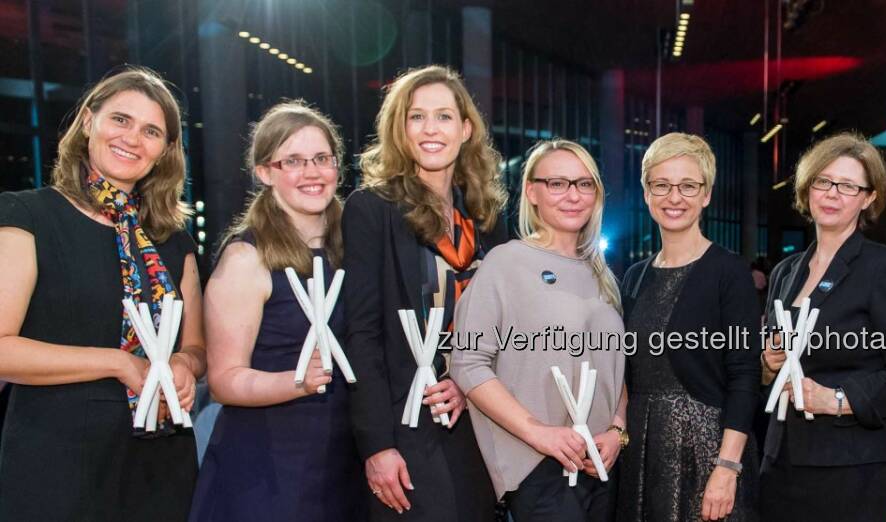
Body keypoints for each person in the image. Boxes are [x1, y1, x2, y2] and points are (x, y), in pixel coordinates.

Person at [0, 66, 206, 520]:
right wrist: (117, 362)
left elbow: (195, 346)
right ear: (89, 121)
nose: (133, 138)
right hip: (55, 457)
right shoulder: (27, 216)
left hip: (161, 460)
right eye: (120, 120)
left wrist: (183, 365)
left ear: (166, 150)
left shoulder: (173, 241)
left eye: (151, 130)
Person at [343, 65, 508, 520]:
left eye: (444, 116)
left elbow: (505, 328)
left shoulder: (486, 218)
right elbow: (362, 334)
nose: (431, 129)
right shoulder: (370, 209)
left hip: (476, 420)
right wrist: (377, 445)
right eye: (417, 117)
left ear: (466, 128)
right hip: (405, 423)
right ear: (401, 128)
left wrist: (467, 381)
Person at [189, 101, 365, 521]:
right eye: (294, 161)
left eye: (322, 159)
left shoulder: (357, 245)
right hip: (268, 469)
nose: (312, 172)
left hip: (346, 462)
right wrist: (295, 382)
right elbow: (225, 380)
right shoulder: (246, 259)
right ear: (266, 172)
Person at [758, 132, 886, 522]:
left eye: (848, 186)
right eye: (824, 181)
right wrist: (768, 364)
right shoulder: (786, 271)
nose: (833, 194)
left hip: (853, 468)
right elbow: (770, 370)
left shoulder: (883, 268)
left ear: (868, 198)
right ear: (808, 188)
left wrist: (837, 400)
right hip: (781, 460)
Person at [453, 139, 625, 521]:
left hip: (599, 463)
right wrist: (539, 434)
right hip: (537, 464)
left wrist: (618, 430)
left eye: (584, 184)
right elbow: (467, 363)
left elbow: (615, 365)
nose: (573, 195)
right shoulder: (505, 263)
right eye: (557, 183)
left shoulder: (602, 274)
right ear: (532, 191)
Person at [616, 133, 762, 521]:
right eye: (661, 185)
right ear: (647, 193)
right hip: (642, 454)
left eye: (687, 185)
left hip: (708, 452)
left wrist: (728, 468)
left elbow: (744, 376)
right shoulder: (633, 276)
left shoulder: (729, 272)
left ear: (706, 194)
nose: (674, 197)